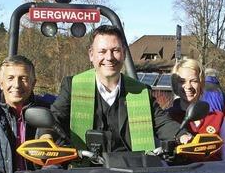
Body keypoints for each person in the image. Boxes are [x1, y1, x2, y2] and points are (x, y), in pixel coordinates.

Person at [51, 25, 187, 151]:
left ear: (124, 54)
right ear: (91, 55)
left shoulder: (141, 92)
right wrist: (46, 136)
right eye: (102, 51)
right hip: (85, 170)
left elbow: (161, 122)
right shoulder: (73, 86)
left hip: (132, 171)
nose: (109, 57)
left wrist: (182, 135)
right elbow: (54, 119)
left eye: (115, 50)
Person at [165, 58, 225, 160]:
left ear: (201, 83)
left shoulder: (218, 118)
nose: (188, 86)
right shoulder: (167, 118)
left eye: (194, 81)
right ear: (175, 85)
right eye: (182, 81)